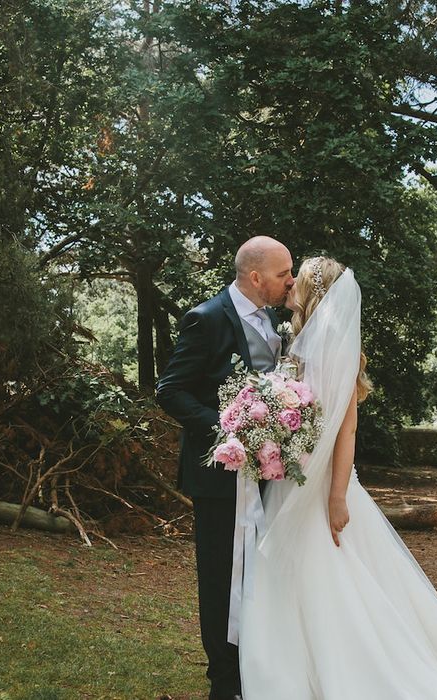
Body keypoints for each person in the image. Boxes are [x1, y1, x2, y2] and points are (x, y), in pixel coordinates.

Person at [238, 256, 437, 699]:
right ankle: (290, 667)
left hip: (321, 482)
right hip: (289, 477)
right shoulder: (294, 339)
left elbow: (345, 429)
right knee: (288, 572)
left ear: (314, 292)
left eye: (297, 279)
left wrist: (337, 496)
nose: (288, 284)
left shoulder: (331, 344)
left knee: (326, 574)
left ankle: (342, 668)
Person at [156, 236, 294, 700]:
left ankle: (254, 669)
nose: (289, 282)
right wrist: (227, 428)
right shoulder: (206, 319)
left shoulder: (274, 318)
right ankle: (224, 683)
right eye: (282, 274)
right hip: (219, 476)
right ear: (255, 277)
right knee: (219, 578)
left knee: (259, 575)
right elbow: (170, 390)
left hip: (266, 475)